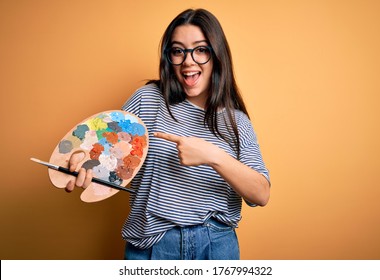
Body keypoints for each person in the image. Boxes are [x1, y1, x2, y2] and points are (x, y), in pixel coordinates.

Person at [65, 8, 270, 260]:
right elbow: (103, 151)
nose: (188, 61)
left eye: (201, 49)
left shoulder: (236, 121)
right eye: (178, 51)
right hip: (153, 246)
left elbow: (261, 194)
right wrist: (80, 160)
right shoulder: (147, 99)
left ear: (217, 56)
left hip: (215, 247)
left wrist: (212, 156)